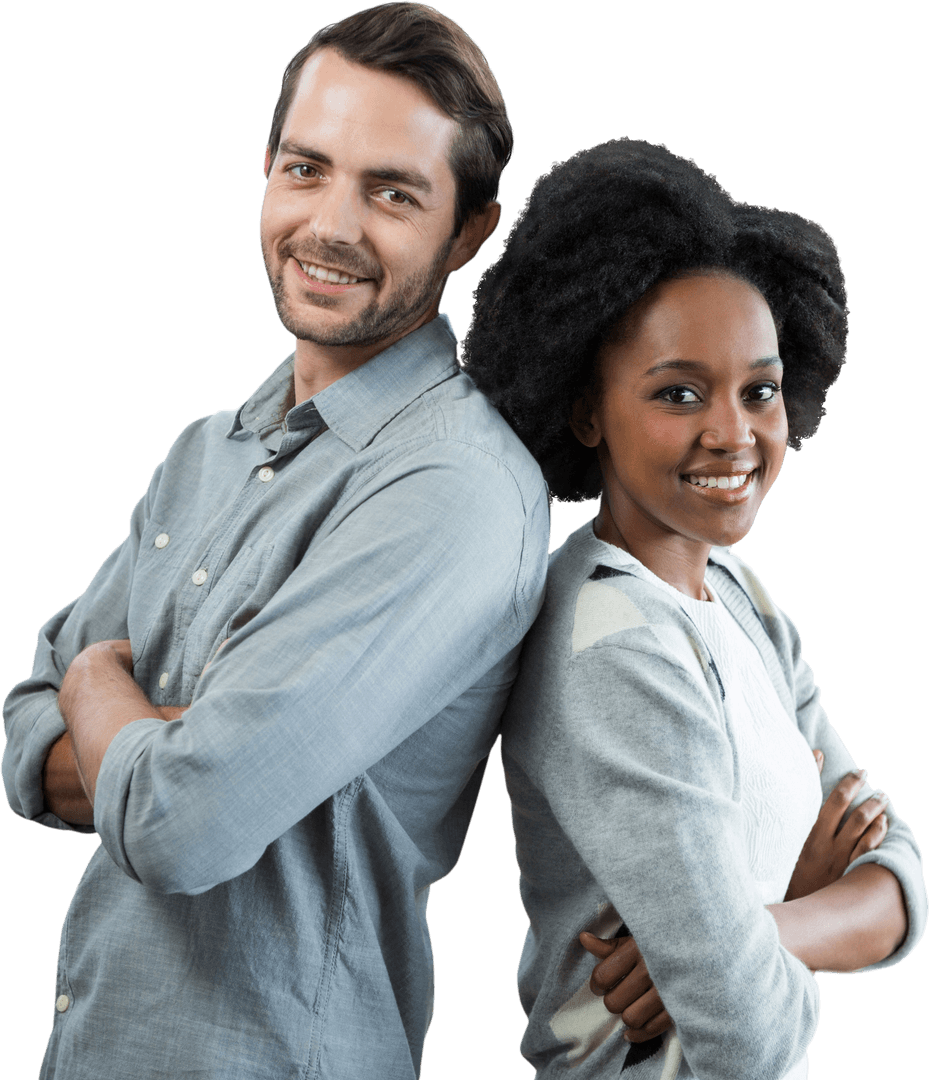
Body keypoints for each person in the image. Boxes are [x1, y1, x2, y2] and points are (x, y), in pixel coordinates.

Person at [1, 5, 548, 1079]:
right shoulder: (206, 449)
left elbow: (181, 826)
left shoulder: (456, 489)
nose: (331, 224)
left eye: (393, 192)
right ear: (265, 169)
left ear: (471, 231)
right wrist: (155, 750)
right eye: (307, 169)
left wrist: (102, 687)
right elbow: (19, 725)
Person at [462, 138, 927, 1078]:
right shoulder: (609, 644)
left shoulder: (743, 601)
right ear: (588, 412)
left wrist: (757, 928)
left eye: (760, 390)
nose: (734, 432)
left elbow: (902, 881)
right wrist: (747, 946)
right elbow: (751, 1033)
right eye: (679, 393)